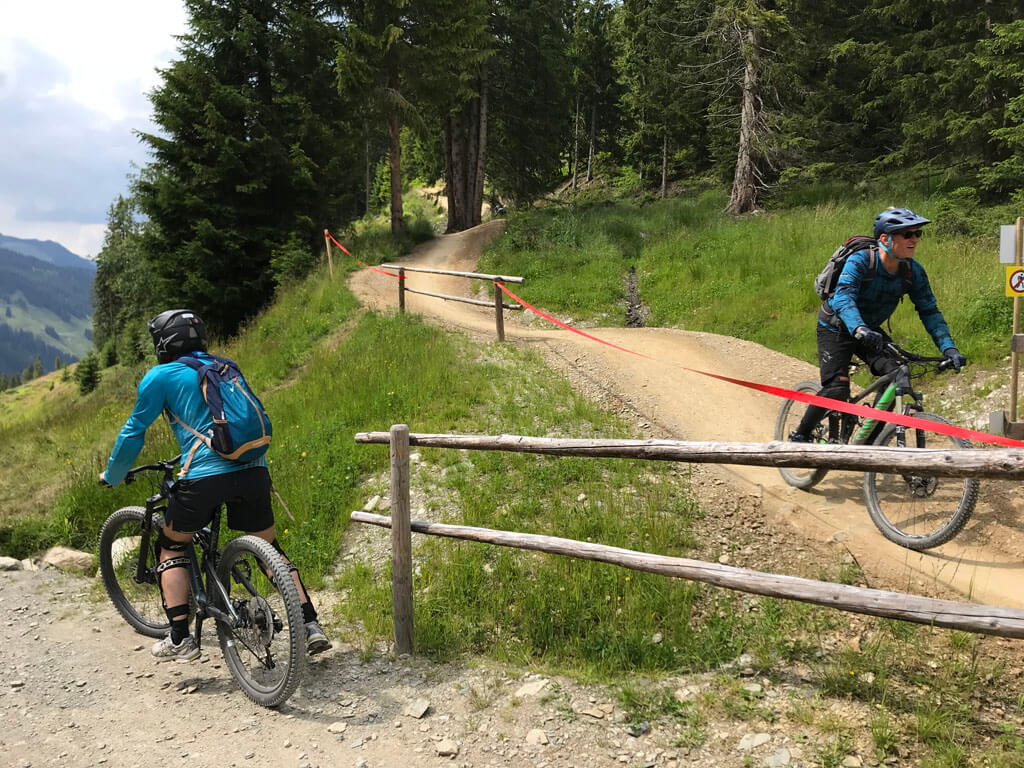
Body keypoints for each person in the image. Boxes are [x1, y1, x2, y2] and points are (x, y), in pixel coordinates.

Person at [99, 309, 331, 661]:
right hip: (253, 470)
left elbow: (134, 432)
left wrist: (112, 476)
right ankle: (310, 624)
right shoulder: (225, 367)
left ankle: (180, 639)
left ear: (162, 344)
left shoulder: (159, 376)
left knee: (172, 546)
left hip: (203, 477)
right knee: (271, 550)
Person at [789, 207, 967, 442]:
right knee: (837, 388)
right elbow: (843, 297)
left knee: (897, 375)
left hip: (869, 330)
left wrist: (949, 348)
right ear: (885, 238)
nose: (914, 239)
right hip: (836, 327)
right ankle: (800, 435)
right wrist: (859, 328)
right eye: (907, 234)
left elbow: (929, 311)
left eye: (917, 234)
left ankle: (867, 443)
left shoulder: (913, 271)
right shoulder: (861, 260)